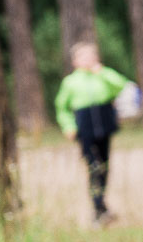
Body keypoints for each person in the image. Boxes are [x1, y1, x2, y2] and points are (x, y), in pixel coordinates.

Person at [54, 41, 131, 227]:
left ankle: (101, 205)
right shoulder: (71, 82)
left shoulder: (103, 76)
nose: (88, 60)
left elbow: (121, 86)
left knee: (104, 166)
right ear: (75, 61)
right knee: (94, 166)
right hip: (85, 129)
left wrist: (102, 72)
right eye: (83, 57)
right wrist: (68, 127)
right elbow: (61, 108)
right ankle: (98, 208)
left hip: (104, 125)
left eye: (91, 56)